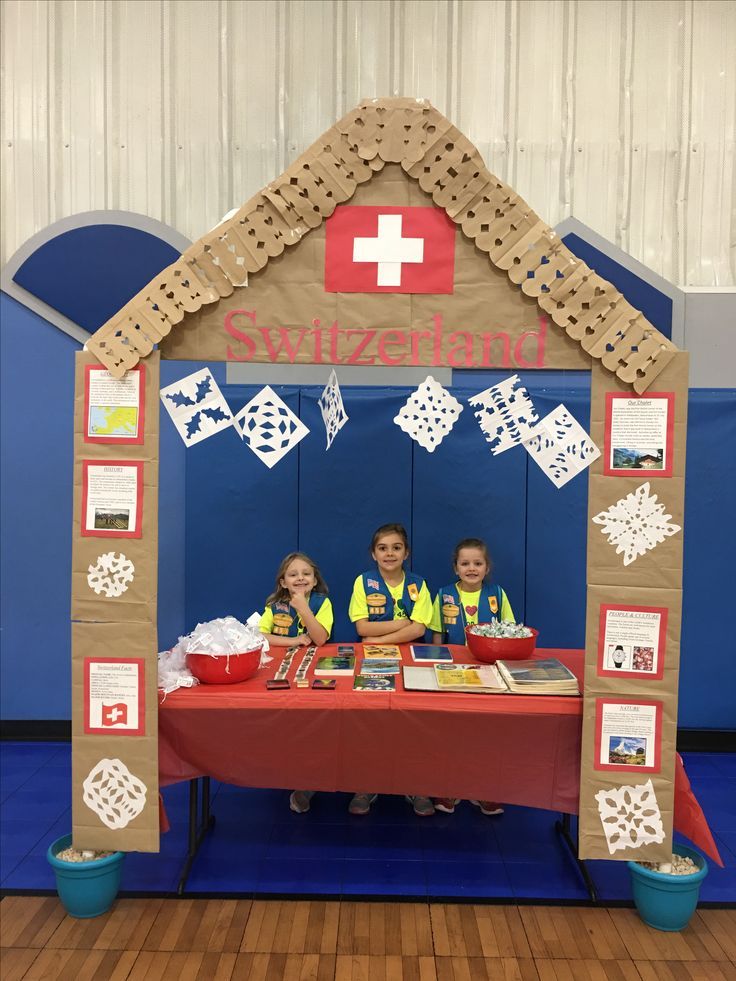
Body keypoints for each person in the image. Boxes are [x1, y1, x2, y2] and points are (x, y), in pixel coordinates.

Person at [348, 523, 434, 816]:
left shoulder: (419, 584)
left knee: (412, 723)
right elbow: (362, 627)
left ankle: (415, 785)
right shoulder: (363, 582)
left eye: (396, 547)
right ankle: (366, 784)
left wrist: (377, 637)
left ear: (406, 552)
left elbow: (420, 628)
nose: (389, 553)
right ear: (373, 553)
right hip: (372, 659)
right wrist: (401, 625)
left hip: (411, 657)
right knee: (371, 722)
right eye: (383, 548)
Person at [429, 537, 514, 818]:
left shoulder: (497, 595)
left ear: (487, 567)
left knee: (485, 733)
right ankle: (449, 787)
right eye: (465, 563)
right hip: (452, 674)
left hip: (488, 673)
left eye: (478, 563)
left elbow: (509, 631)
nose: (471, 568)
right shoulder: (443, 595)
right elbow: (437, 636)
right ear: (456, 568)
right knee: (451, 731)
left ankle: (483, 790)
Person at [259, 552, 333, 816]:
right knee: (287, 727)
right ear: (283, 582)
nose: (300, 578)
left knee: (312, 727)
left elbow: (321, 638)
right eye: (293, 574)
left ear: (314, 580)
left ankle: (308, 782)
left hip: (312, 672)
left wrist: (303, 608)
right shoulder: (273, 605)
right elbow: (260, 635)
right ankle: (292, 775)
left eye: (306, 574)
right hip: (279, 672)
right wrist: (291, 641)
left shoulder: (322, 603)